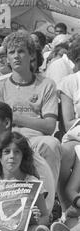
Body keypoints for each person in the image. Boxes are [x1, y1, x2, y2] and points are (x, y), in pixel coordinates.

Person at [0, 31, 61, 194]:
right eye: (11, 52)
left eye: (21, 51)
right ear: (7, 57)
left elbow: (49, 126)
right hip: (3, 139)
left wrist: (12, 116)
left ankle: (47, 205)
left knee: (51, 144)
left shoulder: (47, 84)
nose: (16, 56)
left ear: (31, 54)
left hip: (34, 139)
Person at [57, 40, 80, 211]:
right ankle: (66, 207)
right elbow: (68, 122)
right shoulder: (70, 81)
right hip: (77, 134)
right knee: (64, 152)